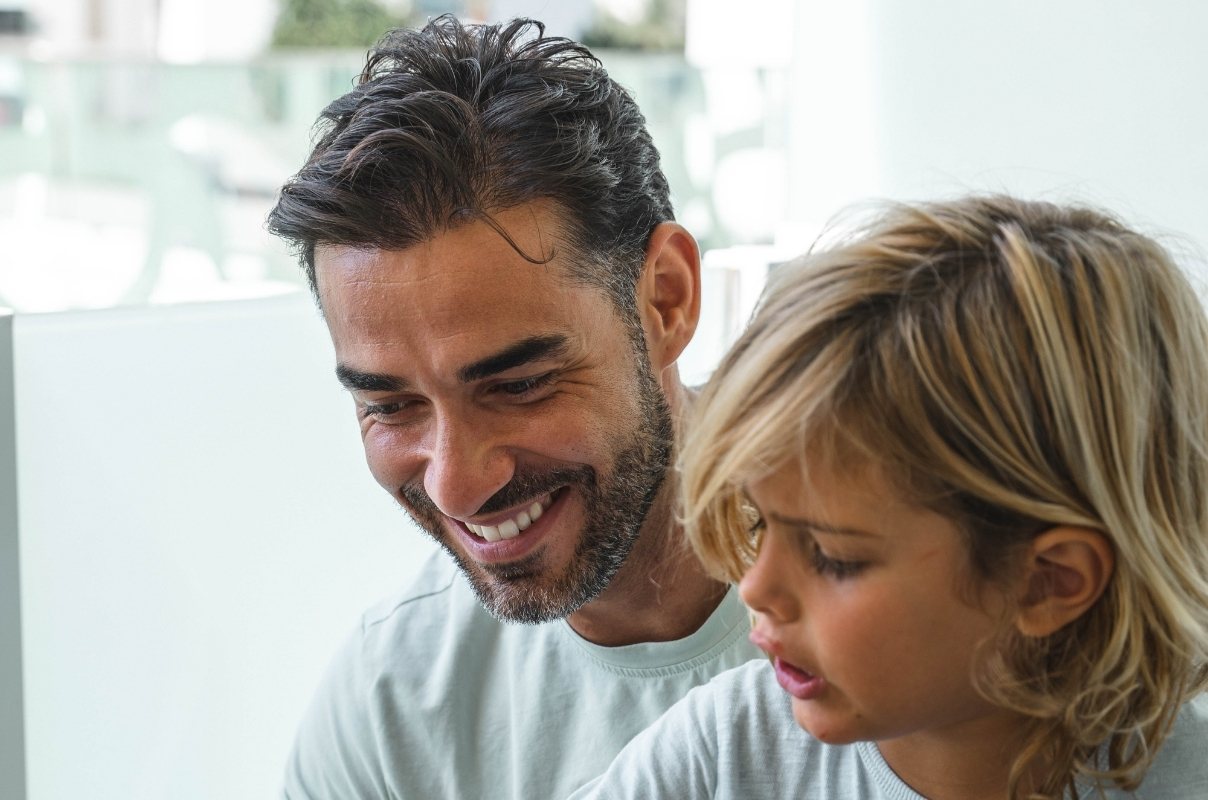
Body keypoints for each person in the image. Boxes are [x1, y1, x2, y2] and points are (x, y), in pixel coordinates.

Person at [266, 15, 760, 799]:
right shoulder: (391, 704)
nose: (455, 486)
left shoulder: (913, 606)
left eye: (518, 385)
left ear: (666, 300)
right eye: (390, 406)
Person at [569, 195, 1208, 799]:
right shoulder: (721, 751)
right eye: (761, 524)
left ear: (1048, 582)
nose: (756, 590)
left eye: (833, 558)